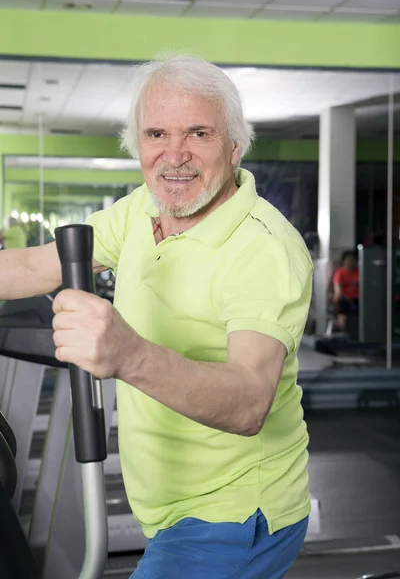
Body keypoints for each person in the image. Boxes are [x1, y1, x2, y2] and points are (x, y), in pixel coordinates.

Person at [0, 54, 313, 578]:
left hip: (231, 516)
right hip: (171, 508)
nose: (175, 156)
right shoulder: (143, 210)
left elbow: (248, 401)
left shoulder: (263, 250)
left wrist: (128, 354)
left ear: (235, 147)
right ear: (136, 145)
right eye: (156, 134)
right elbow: (34, 266)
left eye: (198, 133)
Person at [333, 250, 359, 332]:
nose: (351, 262)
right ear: (344, 261)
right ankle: (341, 328)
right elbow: (338, 290)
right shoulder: (340, 273)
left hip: (357, 298)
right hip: (344, 299)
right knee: (342, 304)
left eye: (353, 260)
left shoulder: (358, 272)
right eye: (349, 260)